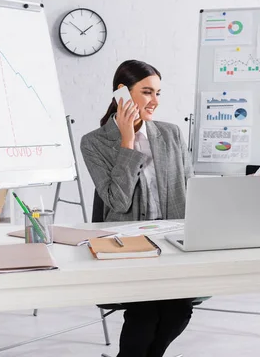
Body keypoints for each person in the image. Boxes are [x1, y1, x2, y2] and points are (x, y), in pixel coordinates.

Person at [80, 59, 193, 357]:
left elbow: (190, 188)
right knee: (145, 315)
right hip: (127, 248)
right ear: (122, 93)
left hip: (171, 244)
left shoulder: (171, 134)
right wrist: (128, 142)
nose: (155, 101)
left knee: (179, 312)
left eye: (158, 93)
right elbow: (117, 201)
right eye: (147, 92)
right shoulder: (94, 143)